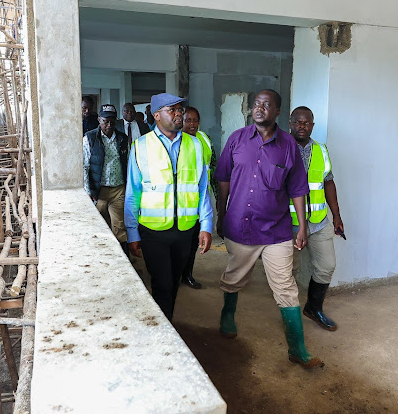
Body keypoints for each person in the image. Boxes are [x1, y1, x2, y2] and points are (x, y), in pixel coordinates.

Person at [215, 89, 322, 369]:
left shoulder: (288, 146)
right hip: (240, 226)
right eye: (257, 104)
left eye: (267, 105)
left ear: (277, 112)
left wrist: (301, 227)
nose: (260, 108)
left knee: (285, 286)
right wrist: (221, 212)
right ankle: (228, 314)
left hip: (276, 230)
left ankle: (298, 349)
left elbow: (298, 188)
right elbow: (223, 178)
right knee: (234, 276)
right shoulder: (237, 139)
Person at [124, 93, 213, 321]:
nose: (178, 114)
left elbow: (202, 188)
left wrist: (206, 225)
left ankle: (166, 322)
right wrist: (132, 232)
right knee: (161, 283)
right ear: (157, 115)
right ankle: (165, 329)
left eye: (180, 110)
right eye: (171, 110)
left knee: (173, 283)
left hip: (185, 229)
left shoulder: (195, 145)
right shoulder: (141, 146)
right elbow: (133, 192)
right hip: (153, 231)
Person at [289, 107, 344, 331]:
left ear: (313, 125)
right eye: (298, 122)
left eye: (307, 122)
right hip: (288, 223)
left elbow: (328, 182)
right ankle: (289, 315)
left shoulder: (321, 149)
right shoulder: (280, 147)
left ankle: (313, 308)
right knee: (288, 270)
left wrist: (337, 216)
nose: (302, 126)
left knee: (327, 265)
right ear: (290, 123)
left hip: (319, 221)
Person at [179, 107, 218, 289]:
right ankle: (175, 274)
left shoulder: (205, 139)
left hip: (201, 196)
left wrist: (217, 197)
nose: (192, 124)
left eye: (195, 120)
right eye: (188, 120)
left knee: (195, 238)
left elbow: (214, 167)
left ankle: (187, 274)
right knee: (180, 240)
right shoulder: (176, 141)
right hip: (181, 198)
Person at [83, 104, 130, 254]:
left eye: (112, 121)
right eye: (105, 121)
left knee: (120, 227)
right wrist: (87, 190)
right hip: (99, 190)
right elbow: (84, 165)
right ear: (99, 120)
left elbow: (128, 162)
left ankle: (124, 260)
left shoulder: (122, 138)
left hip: (118, 189)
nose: (109, 125)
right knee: (99, 227)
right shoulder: (89, 138)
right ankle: (100, 256)